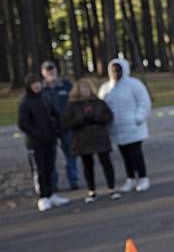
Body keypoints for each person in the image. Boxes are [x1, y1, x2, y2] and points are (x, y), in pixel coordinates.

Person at [18, 73, 70, 211]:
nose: (36, 86)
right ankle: (42, 197)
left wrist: (58, 129)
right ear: (28, 86)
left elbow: (55, 114)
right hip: (35, 143)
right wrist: (38, 134)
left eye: (38, 83)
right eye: (33, 84)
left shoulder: (45, 98)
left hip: (50, 140)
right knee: (39, 170)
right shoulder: (25, 102)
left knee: (50, 168)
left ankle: (51, 194)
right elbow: (23, 123)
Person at [98, 58, 152, 192]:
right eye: (114, 70)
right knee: (125, 155)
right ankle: (130, 178)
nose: (116, 73)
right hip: (116, 128)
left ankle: (143, 177)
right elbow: (101, 105)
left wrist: (138, 117)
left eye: (118, 70)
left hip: (133, 127)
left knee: (136, 153)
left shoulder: (134, 85)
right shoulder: (106, 88)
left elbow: (144, 102)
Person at [62, 78, 119, 203]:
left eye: (87, 88)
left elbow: (108, 117)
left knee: (106, 162)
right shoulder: (72, 105)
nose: (85, 91)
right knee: (88, 166)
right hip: (83, 140)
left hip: (100, 137)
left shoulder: (99, 103)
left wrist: (96, 117)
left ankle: (112, 188)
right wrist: (81, 119)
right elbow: (67, 123)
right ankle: (91, 191)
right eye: (82, 88)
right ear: (78, 90)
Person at [40, 60, 79, 190]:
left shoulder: (66, 85)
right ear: (43, 73)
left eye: (52, 69)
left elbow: (75, 101)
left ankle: (73, 180)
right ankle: (53, 183)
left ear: (56, 70)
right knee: (51, 156)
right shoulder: (40, 88)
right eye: (48, 70)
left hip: (66, 125)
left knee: (71, 153)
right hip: (49, 128)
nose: (51, 72)